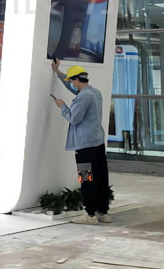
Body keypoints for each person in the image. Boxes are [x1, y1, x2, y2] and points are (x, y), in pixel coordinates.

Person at [51, 59, 109, 225]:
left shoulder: (83, 97)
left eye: (72, 81)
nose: (71, 84)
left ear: (77, 79)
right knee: (101, 178)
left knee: (86, 179)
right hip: (97, 143)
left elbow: (73, 118)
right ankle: (102, 213)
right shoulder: (94, 92)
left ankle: (89, 215)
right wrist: (58, 72)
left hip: (84, 147)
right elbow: (73, 88)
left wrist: (62, 106)